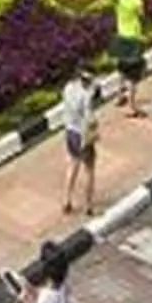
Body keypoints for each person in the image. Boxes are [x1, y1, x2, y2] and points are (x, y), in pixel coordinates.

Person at [111, 0, 150, 116]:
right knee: (134, 76)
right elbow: (142, 15)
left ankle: (120, 96)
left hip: (120, 36)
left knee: (121, 69)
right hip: (134, 39)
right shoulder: (136, 1)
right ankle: (132, 107)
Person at [58, 69, 98, 216]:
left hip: (70, 132)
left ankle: (66, 200)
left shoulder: (68, 88)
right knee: (89, 170)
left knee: (73, 165)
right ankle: (89, 205)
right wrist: (94, 132)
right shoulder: (86, 96)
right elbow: (89, 119)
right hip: (82, 134)